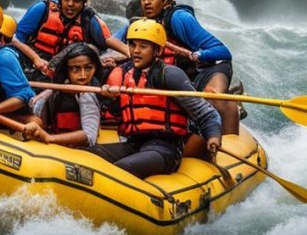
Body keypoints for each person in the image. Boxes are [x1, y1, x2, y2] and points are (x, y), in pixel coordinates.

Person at [86, 19, 221, 178]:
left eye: (143, 46)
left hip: (165, 149)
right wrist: (110, 99)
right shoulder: (126, 74)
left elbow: (205, 113)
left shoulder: (170, 75)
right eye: (132, 45)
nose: (136, 51)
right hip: (135, 144)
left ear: (157, 50)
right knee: (88, 155)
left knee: (121, 168)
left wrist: (213, 136)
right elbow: (122, 115)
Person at [123, 0, 239, 136]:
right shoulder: (143, 22)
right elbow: (117, 40)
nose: (146, 2)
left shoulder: (179, 18)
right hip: (181, 76)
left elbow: (223, 52)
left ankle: (230, 122)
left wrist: (196, 55)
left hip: (208, 69)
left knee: (214, 98)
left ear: (165, 0)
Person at [12, 0, 129, 81]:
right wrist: (36, 59)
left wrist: (132, 54)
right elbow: (15, 39)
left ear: (83, 4)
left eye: (76, 0)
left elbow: (108, 40)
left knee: (87, 48)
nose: (70, 4)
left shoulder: (88, 19)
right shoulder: (42, 9)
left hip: (66, 69)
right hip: (33, 62)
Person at [21, 42, 102, 147]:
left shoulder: (87, 96)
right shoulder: (54, 93)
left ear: (95, 68)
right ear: (66, 70)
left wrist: (50, 138)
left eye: (88, 68)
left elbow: (89, 136)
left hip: (79, 151)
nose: (83, 75)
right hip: (56, 145)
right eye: (76, 69)